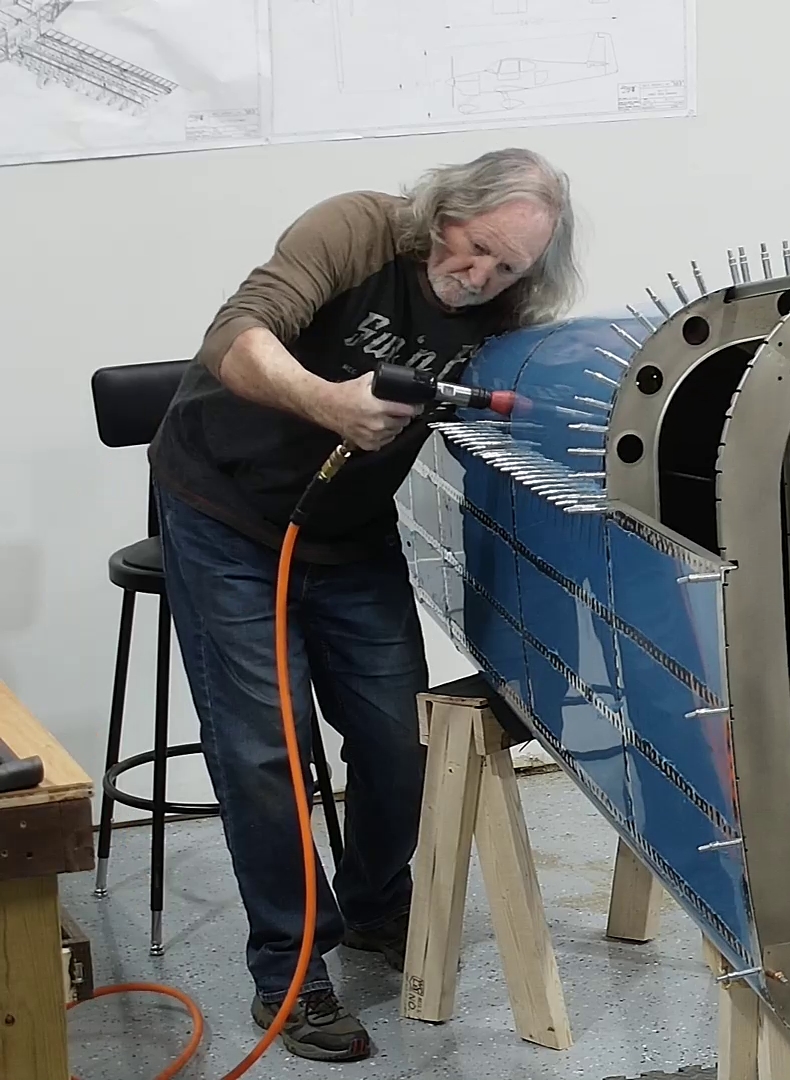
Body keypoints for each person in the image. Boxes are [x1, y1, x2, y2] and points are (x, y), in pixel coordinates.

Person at [146, 148, 580, 1061]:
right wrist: (326, 403)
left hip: (347, 530)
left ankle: (377, 905)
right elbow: (236, 333)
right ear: (442, 211)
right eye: (473, 248)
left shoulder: (506, 312)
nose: (479, 277)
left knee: (397, 738)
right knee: (265, 750)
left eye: (507, 267)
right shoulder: (357, 230)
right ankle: (291, 968)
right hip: (224, 511)